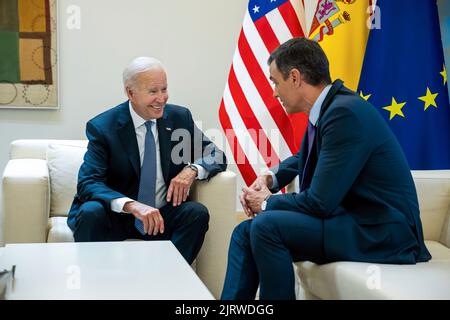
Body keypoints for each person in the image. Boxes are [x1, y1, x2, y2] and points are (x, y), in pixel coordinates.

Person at [221, 37, 431, 300]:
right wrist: (270, 178)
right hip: (354, 221)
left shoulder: (345, 114)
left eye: (275, 81)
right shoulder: (332, 107)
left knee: (267, 225)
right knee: (244, 232)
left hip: (381, 233)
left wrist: (265, 203)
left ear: (295, 77)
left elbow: (319, 202)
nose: (274, 92)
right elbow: (306, 156)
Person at [67, 57, 227, 264]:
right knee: (90, 212)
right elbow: (88, 183)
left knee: (196, 213)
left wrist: (192, 170)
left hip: (162, 216)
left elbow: (216, 154)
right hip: (119, 216)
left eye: (164, 89)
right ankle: (92, 287)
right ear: (130, 93)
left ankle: (169, 283)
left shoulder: (179, 118)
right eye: (153, 92)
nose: (162, 98)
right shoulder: (103, 127)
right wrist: (132, 206)